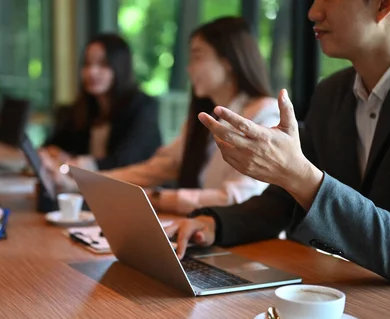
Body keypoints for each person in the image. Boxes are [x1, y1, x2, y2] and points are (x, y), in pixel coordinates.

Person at [167, 0, 390, 285]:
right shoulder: (331, 92)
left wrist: (297, 173)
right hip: (339, 291)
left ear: (383, 5)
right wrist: (213, 223)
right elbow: (283, 203)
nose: (313, 12)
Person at [48, 18, 281, 215]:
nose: (189, 69)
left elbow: (238, 198)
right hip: (204, 229)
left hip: (245, 242)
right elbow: (159, 167)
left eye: (197, 57)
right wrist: (93, 182)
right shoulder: (205, 118)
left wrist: (159, 198)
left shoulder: (264, 114)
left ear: (229, 63)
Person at [42, 33, 161, 172]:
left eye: (103, 64)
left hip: (134, 188)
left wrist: (80, 163)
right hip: (88, 187)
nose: (92, 72)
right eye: (87, 64)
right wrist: (58, 155)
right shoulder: (83, 107)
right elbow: (53, 146)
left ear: (120, 67)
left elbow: (128, 160)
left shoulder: (142, 106)